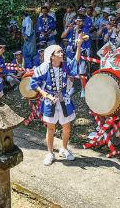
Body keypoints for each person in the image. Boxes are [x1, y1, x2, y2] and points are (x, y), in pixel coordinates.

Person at [30, 37, 82, 166]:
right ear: (52, 56)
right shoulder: (44, 67)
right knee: (51, 128)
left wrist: (79, 45)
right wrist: (45, 94)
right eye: (59, 52)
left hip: (64, 99)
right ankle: (50, 153)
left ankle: (64, 148)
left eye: (61, 51)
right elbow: (33, 82)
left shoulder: (65, 66)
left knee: (67, 127)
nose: (62, 53)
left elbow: (76, 61)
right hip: (49, 101)